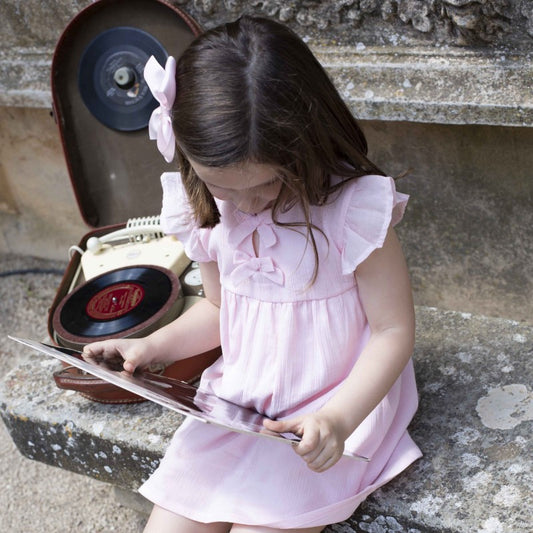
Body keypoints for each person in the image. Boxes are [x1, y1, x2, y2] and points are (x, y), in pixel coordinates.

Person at [83, 15, 422, 533]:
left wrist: (338, 419)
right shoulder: (208, 208)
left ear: (306, 142)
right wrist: (152, 347)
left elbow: (392, 331)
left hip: (331, 408)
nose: (245, 204)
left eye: (265, 185)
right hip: (241, 405)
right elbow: (220, 309)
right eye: (221, 185)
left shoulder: (353, 211)